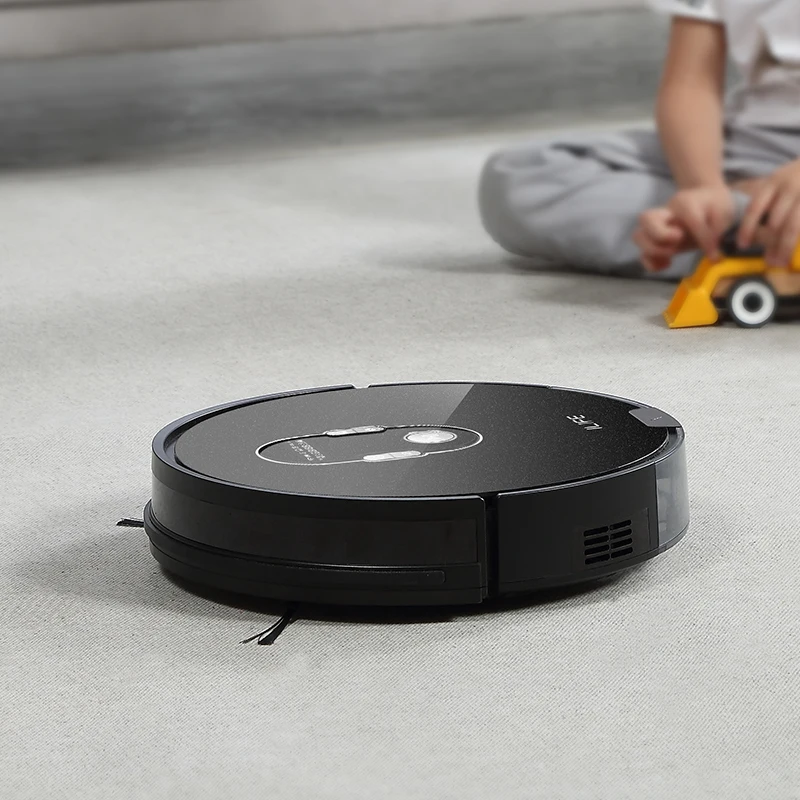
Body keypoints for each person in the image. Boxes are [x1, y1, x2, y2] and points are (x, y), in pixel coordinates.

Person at [478, 0, 800, 279]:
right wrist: (702, 190)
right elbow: (691, 84)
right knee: (520, 175)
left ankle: (753, 235)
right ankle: (752, 227)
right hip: (755, 143)